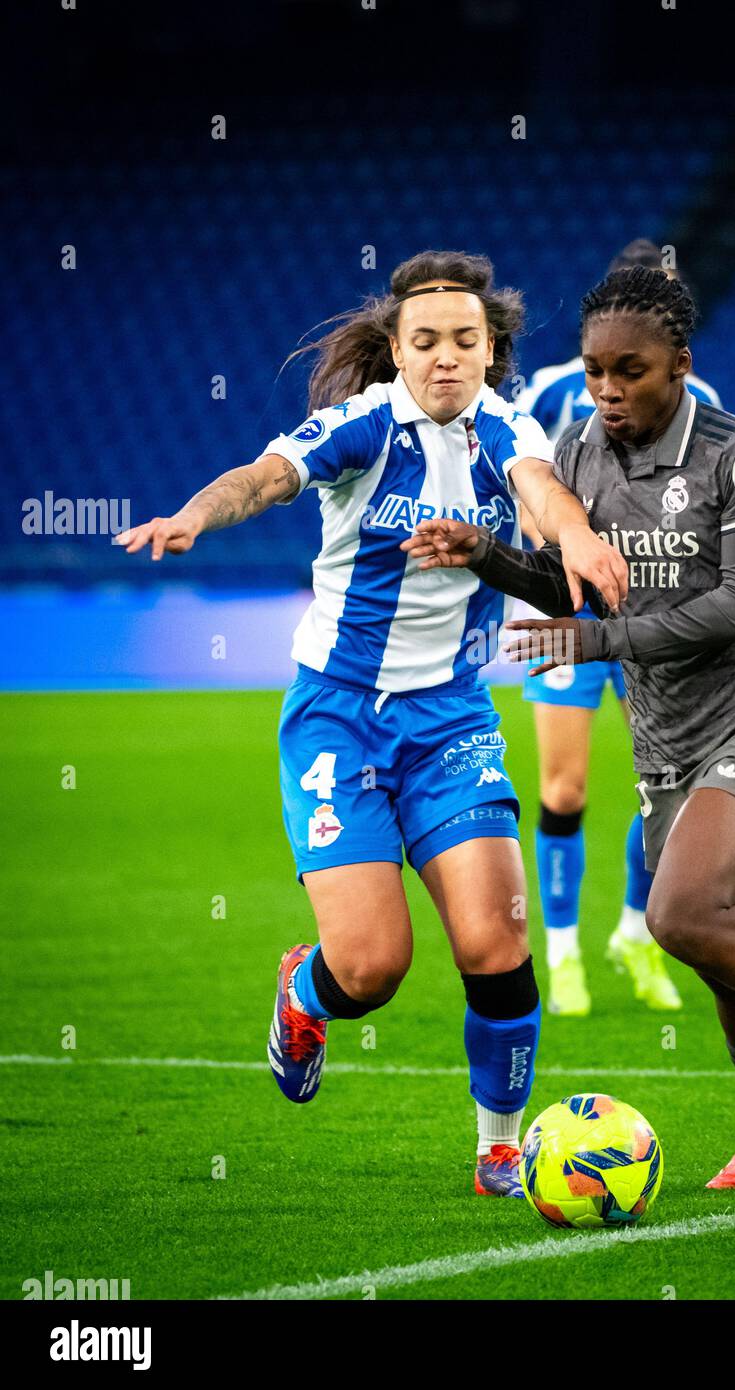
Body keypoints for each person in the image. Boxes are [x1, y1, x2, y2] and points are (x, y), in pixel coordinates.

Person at [115, 250, 628, 1197]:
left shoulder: (508, 430)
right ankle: (303, 995)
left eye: (465, 342)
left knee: (496, 944)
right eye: (425, 341)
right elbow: (266, 477)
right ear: (396, 350)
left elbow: (544, 495)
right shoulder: (361, 426)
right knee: (373, 967)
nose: (445, 358)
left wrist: (580, 534)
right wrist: (196, 512)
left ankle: (498, 1149)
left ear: (489, 352)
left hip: (452, 718)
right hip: (338, 718)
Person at [404, 266, 735, 1188]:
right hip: (667, 749)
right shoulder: (579, 454)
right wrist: (487, 556)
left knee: (681, 914)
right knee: (723, 948)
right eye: (597, 371)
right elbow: (565, 586)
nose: (608, 390)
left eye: (630, 371)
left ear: (680, 364)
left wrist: (600, 637)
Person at [514, 240, 720, 1016]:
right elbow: (516, 474)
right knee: (563, 791)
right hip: (565, 616)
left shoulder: (707, 406)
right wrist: (546, 545)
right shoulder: (555, 390)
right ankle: (562, 952)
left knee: (663, 790)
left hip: (655, 625)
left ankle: (635, 932)